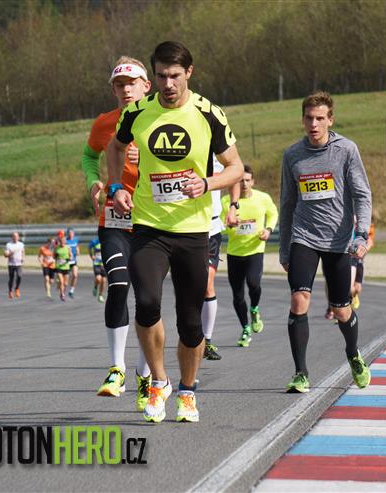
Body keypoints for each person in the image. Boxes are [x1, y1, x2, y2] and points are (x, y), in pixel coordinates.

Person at [108, 41, 244, 423]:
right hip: (149, 226)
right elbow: (114, 149)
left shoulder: (208, 113)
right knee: (146, 302)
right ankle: (158, 382)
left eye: (175, 76)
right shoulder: (136, 112)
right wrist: (117, 187)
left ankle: (187, 390)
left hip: (193, 230)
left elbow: (235, 166)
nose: (168, 84)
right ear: (153, 76)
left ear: (189, 73)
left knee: (190, 322)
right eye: (161, 76)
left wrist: (208, 183)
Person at [279, 91, 373, 393]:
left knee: (341, 309)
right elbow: (287, 203)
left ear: (330, 120)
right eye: (309, 118)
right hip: (303, 236)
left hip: (338, 241)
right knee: (299, 299)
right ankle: (301, 373)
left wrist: (361, 234)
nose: (314, 124)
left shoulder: (346, 150)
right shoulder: (292, 155)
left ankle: (353, 354)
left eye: (320, 118)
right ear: (302, 120)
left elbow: (362, 194)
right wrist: (284, 247)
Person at [81, 56, 153, 408]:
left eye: (131, 83)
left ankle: (145, 375)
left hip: (151, 221)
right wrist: (94, 181)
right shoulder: (104, 123)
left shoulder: (161, 120)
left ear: (146, 86)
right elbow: (88, 156)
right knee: (118, 284)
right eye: (119, 85)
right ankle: (116, 369)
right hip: (113, 221)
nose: (125, 90)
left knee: (148, 300)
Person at [220, 164, 278, 347]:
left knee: (254, 284)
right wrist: (228, 226)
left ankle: (254, 308)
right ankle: (245, 328)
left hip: (255, 250)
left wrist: (268, 229)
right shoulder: (226, 202)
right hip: (234, 253)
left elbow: (273, 213)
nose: (244, 184)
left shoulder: (263, 198)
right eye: (240, 181)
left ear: (252, 181)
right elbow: (221, 226)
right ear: (235, 183)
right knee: (237, 295)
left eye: (247, 180)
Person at [202, 157, 240, 361]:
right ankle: (191, 334)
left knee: (207, 283)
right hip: (186, 229)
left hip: (212, 229)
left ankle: (206, 340)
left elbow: (235, 176)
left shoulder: (219, 155)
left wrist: (233, 206)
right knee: (190, 287)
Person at [350, 222, 375, 310]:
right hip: (350, 260)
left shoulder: (361, 229)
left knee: (358, 288)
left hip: (359, 261)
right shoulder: (346, 228)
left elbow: (370, 243)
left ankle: (354, 295)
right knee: (349, 288)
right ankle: (347, 303)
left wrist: (363, 250)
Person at [4, 232, 24, 300]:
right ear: (12, 237)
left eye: (16, 236)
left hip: (19, 264)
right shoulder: (8, 245)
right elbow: (5, 255)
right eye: (14, 236)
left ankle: (17, 288)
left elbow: (23, 251)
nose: (15, 238)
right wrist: (10, 254)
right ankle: (10, 291)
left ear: (18, 237)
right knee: (11, 278)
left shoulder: (21, 244)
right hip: (11, 264)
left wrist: (23, 258)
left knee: (19, 276)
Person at [54, 233, 71, 302]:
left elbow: (70, 256)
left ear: (65, 242)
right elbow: (54, 256)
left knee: (65, 283)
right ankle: (62, 294)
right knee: (61, 281)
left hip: (66, 267)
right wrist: (57, 257)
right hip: (59, 267)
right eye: (61, 241)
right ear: (59, 242)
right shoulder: (56, 248)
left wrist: (68, 259)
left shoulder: (68, 247)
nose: (62, 243)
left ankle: (62, 291)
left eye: (63, 241)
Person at [89, 235, 106, 303]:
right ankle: (96, 287)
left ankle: (100, 295)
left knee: (104, 281)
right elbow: (89, 247)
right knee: (98, 279)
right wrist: (91, 255)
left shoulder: (106, 241)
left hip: (104, 264)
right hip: (96, 263)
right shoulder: (94, 242)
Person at [65, 228, 80, 298]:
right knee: (65, 281)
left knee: (75, 275)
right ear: (67, 233)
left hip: (73, 261)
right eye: (69, 233)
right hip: (66, 262)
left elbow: (77, 247)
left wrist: (78, 251)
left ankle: (71, 290)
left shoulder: (75, 240)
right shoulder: (65, 240)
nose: (71, 234)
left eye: (72, 233)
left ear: (73, 233)